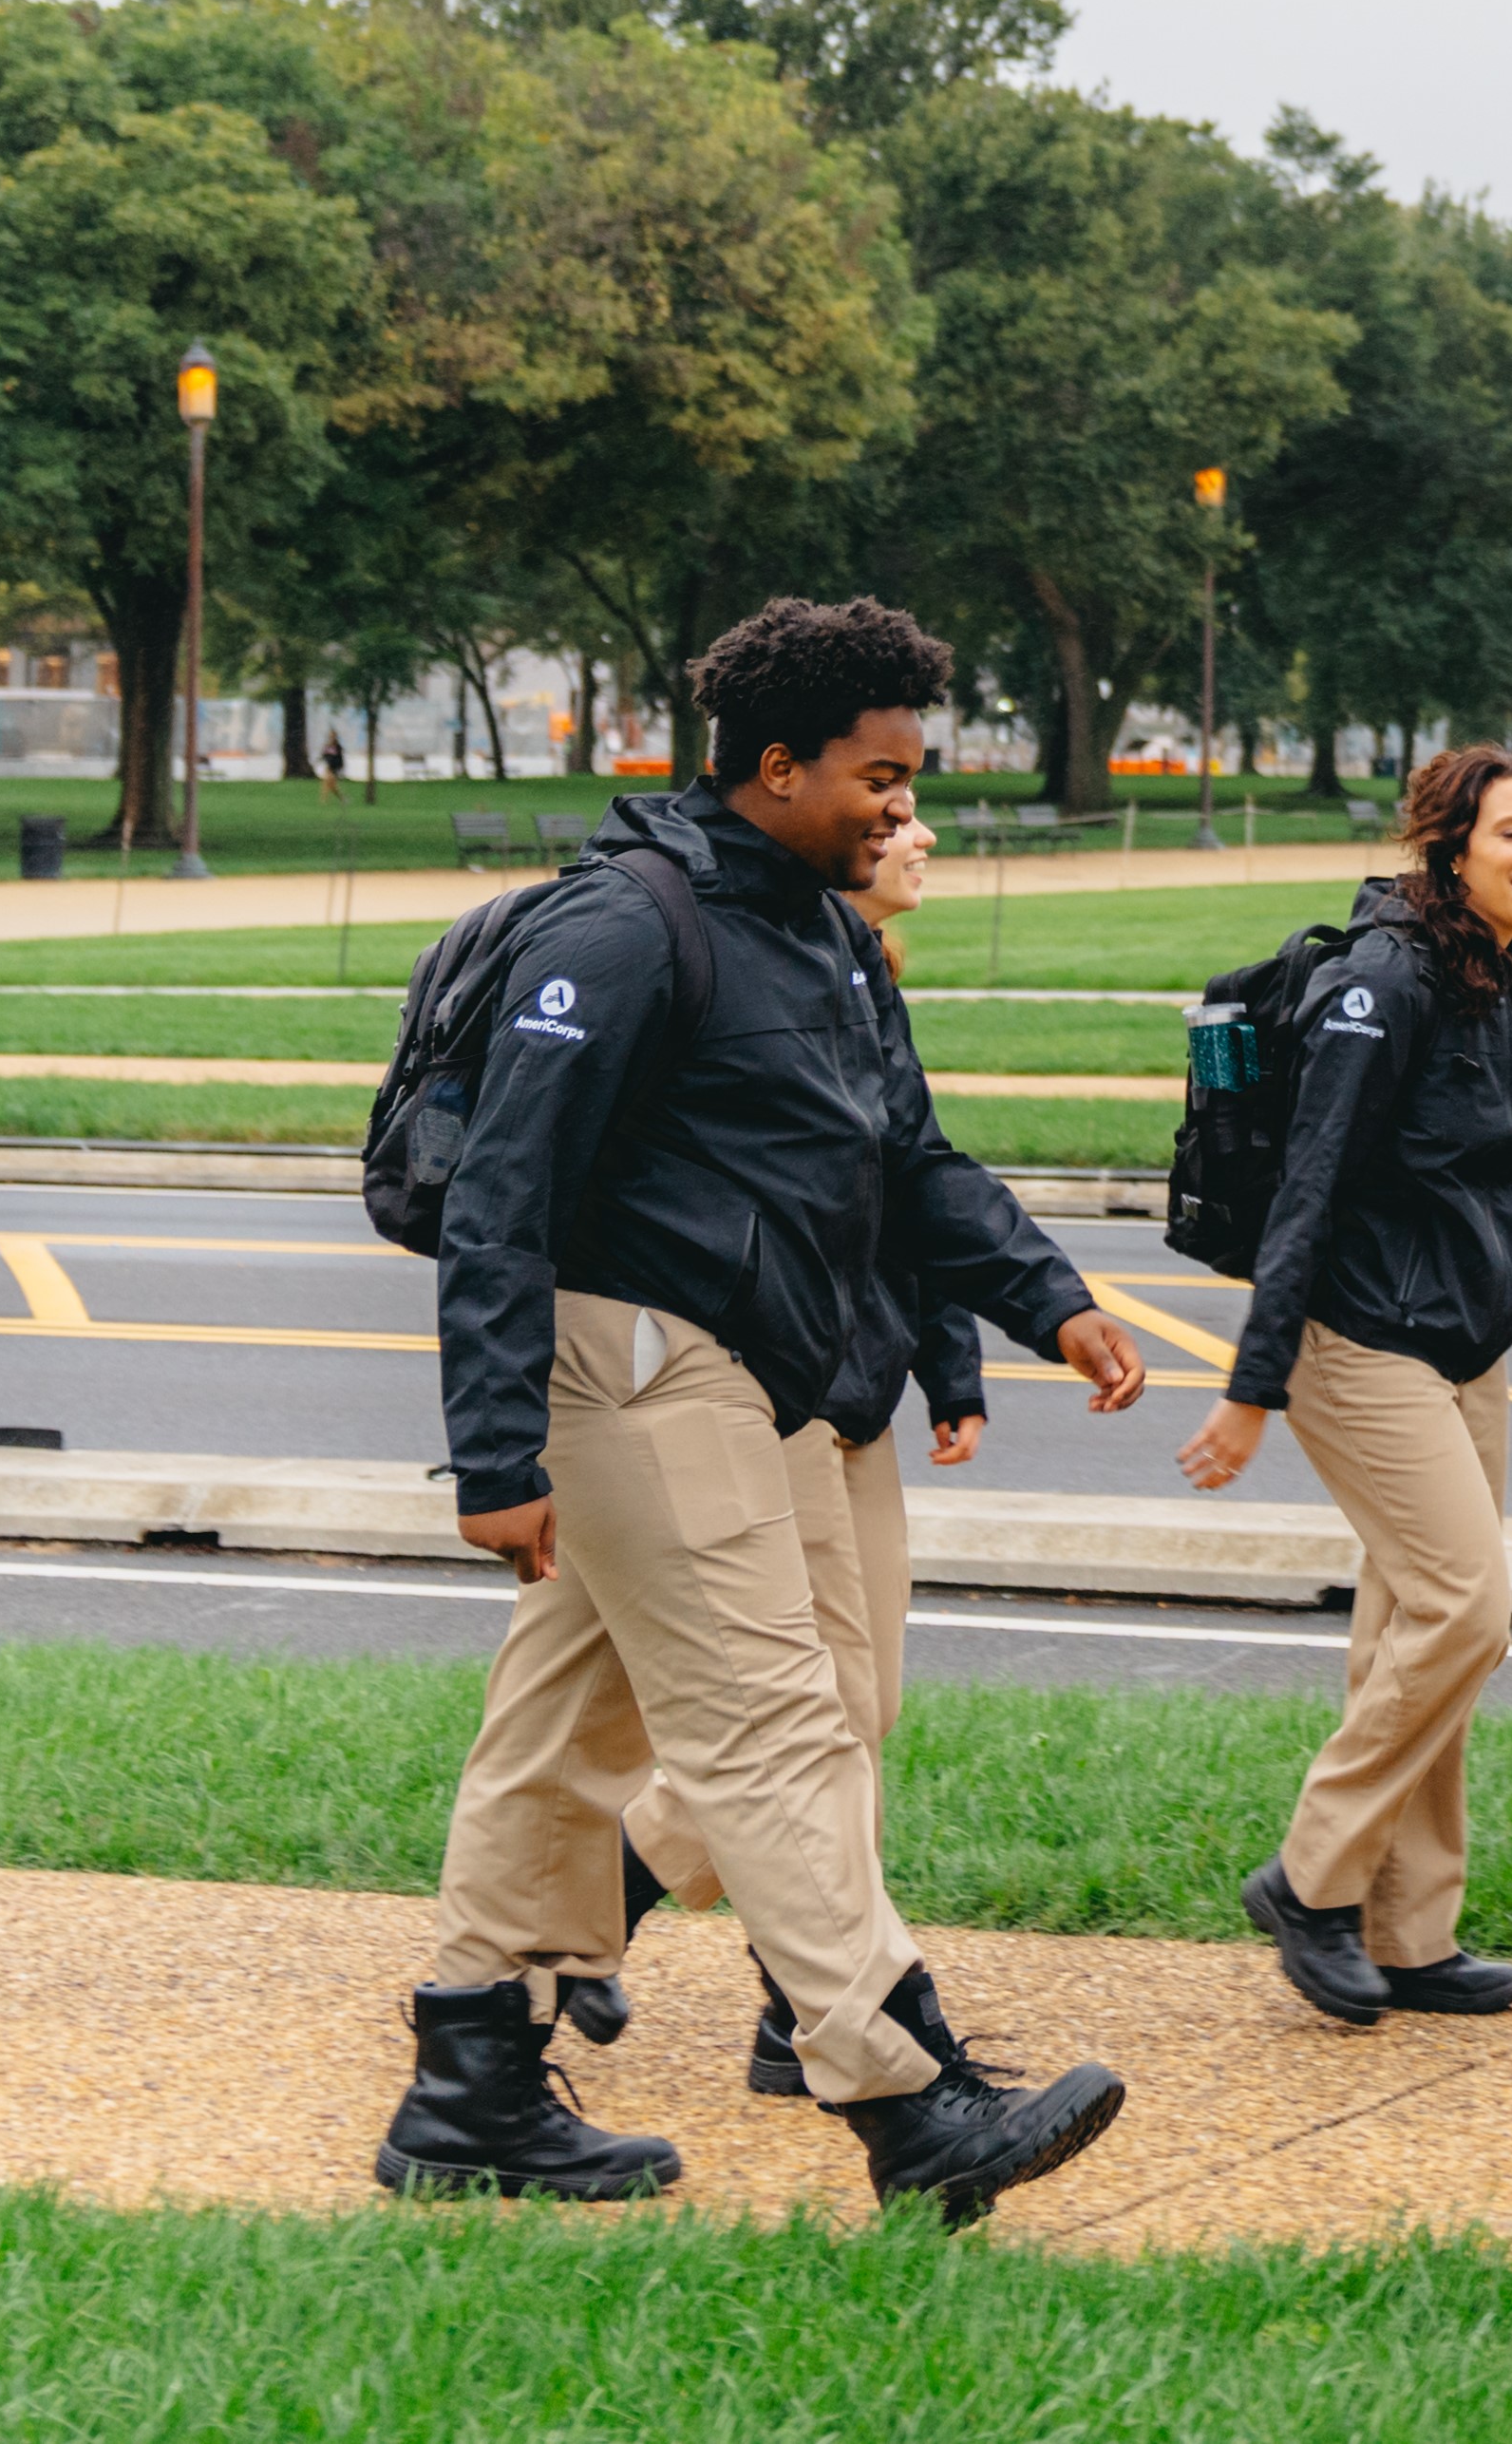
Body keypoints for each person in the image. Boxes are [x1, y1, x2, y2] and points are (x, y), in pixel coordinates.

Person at [386, 595, 1152, 2221]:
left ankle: (472, 2086)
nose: (902, 805)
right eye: (879, 775)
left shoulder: (814, 928)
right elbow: (500, 1195)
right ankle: (907, 2090)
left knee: (566, 1739)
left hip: (748, 1371)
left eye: (909, 774)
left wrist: (1049, 1299)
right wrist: (496, 1445)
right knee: (770, 1720)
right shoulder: (624, 930)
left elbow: (905, 1161)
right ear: (778, 764)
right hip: (635, 1365)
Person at [1186, 748, 1512, 2026]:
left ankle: (1405, 1931)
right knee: (1465, 1610)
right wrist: (1253, 1385)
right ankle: (1311, 1876)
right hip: (1362, 1341)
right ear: (1451, 849)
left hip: (1467, 1345)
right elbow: (1309, 1189)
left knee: (1416, 1637)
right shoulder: (1385, 985)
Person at [580, 788, 1001, 2094]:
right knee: (809, 1721)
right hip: (756, 1390)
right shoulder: (747, 960)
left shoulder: (857, 970)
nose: (917, 834)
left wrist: (952, 1355)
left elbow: (898, 1177)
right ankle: (626, 1922)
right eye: (898, 807)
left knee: (819, 1720)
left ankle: (699, 1955)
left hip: (849, 1376)